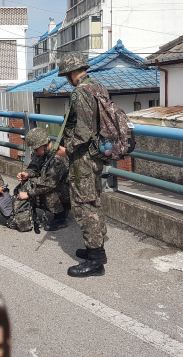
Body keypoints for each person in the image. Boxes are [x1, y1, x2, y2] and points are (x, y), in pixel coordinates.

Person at [58, 51, 108, 278]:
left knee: (83, 207)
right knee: (94, 201)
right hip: (97, 155)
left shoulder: (80, 93)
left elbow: (83, 131)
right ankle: (96, 250)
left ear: (70, 73)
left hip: (83, 158)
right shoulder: (98, 87)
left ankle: (96, 261)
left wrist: (65, 149)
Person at [15, 127, 70, 231]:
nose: (35, 152)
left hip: (68, 192)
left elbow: (49, 184)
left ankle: (60, 217)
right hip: (58, 188)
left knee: (44, 188)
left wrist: (28, 194)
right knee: (30, 183)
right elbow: (34, 167)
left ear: (44, 145)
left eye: (36, 149)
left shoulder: (58, 158)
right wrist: (27, 174)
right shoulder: (42, 153)